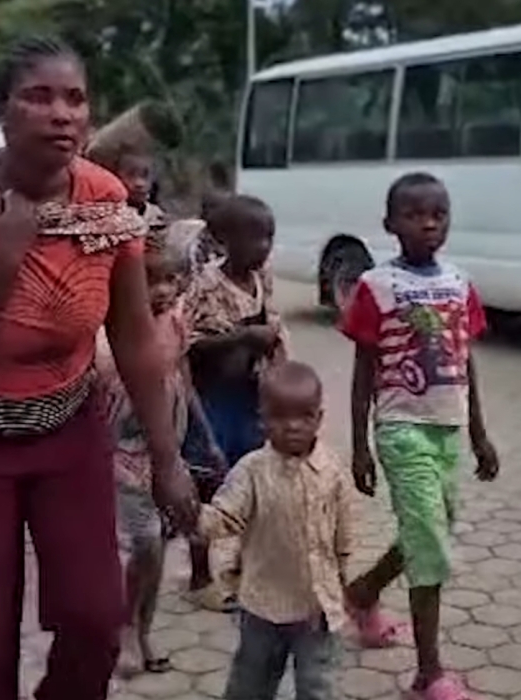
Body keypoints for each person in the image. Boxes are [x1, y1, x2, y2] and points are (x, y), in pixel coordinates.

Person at [0, 36, 197, 700]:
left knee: (94, 617)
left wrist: (169, 459)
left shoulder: (106, 200)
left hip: (66, 429)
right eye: (38, 96)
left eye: (75, 98)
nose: (62, 113)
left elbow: (135, 336)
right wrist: (2, 259)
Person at [340, 172, 499, 700]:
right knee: (429, 542)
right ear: (390, 224)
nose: (429, 223)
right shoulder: (376, 286)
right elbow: (364, 369)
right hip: (401, 428)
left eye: (439, 214)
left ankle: (363, 592)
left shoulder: (458, 282)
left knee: (433, 528)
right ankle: (428, 674)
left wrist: (479, 433)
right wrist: (360, 443)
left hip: (448, 429)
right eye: (415, 214)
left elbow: (465, 360)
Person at [95, 228, 217, 678]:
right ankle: (125, 629)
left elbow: (183, 378)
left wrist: (205, 437)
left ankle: (143, 631)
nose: (163, 290)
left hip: (167, 452)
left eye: (170, 280)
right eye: (151, 281)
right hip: (122, 455)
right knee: (142, 543)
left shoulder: (174, 322)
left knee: (157, 548)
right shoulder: (109, 336)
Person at [199, 361, 352, 700]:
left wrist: (341, 574)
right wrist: (192, 516)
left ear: (319, 418)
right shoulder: (252, 471)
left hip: (316, 606)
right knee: (251, 683)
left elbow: (342, 527)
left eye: (304, 416)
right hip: (263, 605)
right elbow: (225, 517)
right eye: (280, 417)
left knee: (317, 685)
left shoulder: (331, 470)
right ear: (262, 419)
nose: (293, 426)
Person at [183, 194, 290, 612]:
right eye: (254, 238)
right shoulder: (207, 284)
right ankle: (199, 577)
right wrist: (243, 338)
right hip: (214, 400)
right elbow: (187, 346)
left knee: (255, 481)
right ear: (224, 240)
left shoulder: (263, 278)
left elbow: (274, 330)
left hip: (252, 396)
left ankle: (246, 568)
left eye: (269, 238)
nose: (263, 247)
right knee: (207, 484)